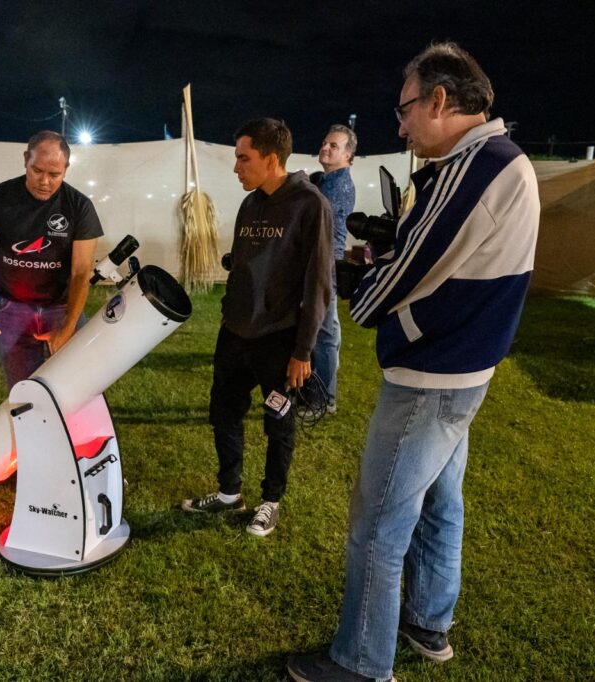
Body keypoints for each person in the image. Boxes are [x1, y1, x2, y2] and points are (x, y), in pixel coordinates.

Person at [287, 42, 540, 682]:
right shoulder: (505, 159)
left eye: (404, 111)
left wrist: (361, 286)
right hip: (466, 367)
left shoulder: (475, 166)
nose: (400, 127)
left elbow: (397, 279)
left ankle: (361, 662)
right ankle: (427, 622)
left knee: (378, 523)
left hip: (432, 372)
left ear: (439, 100)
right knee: (440, 503)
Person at [181, 118, 332, 537]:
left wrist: (302, 351)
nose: (236, 167)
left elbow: (319, 283)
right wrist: (230, 311)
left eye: (243, 158)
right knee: (223, 412)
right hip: (235, 334)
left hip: (279, 339)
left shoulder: (310, 204)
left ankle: (270, 502)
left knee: (277, 421)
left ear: (270, 158)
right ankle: (229, 492)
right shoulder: (250, 205)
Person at [0, 131, 103, 390]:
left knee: (78, 384)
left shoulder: (79, 206)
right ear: (26, 158)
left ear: (66, 168)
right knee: (23, 389)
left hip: (61, 307)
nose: (44, 182)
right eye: (37, 170)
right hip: (11, 308)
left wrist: (68, 326)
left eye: (54, 174)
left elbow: (81, 271)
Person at [310, 124, 357, 413]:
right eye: (325, 142)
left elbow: (315, 223)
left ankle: (324, 398)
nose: (325, 147)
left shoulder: (338, 185)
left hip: (324, 263)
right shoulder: (327, 180)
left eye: (334, 146)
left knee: (323, 333)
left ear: (348, 155)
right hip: (322, 261)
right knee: (325, 329)